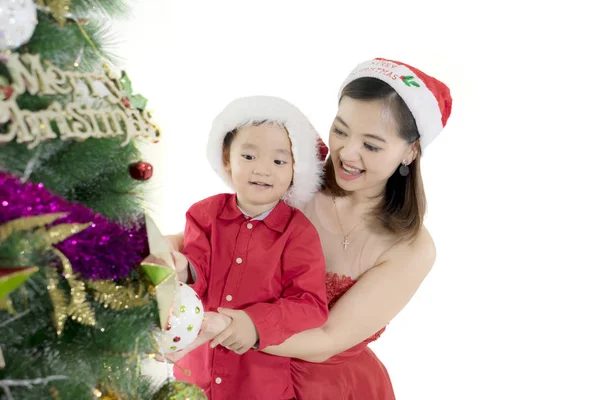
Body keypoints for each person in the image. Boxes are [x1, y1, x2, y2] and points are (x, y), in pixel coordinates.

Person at [170, 57, 453, 399]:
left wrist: (226, 328)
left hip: (326, 388)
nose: (346, 153)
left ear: (410, 152)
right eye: (340, 130)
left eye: (371, 145)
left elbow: (327, 340)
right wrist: (163, 253)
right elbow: (215, 237)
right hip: (234, 372)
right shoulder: (295, 179)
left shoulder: (411, 247)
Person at [156, 95, 330, 400]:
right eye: (249, 157)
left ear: (295, 169)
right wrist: (181, 266)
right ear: (227, 159)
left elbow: (309, 304)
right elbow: (200, 267)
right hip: (196, 376)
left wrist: (253, 324)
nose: (262, 170)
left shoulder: (299, 233)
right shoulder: (203, 214)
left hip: (260, 384)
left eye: (278, 161)